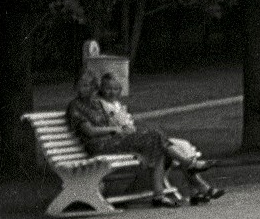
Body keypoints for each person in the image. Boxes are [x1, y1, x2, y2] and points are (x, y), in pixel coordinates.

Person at [66, 46, 224, 207]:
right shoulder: (76, 106)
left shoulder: (96, 104)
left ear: (94, 87)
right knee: (155, 135)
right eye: (82, 85)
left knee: (158, 148)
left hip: (113, 142)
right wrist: (113, 130)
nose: (86, 89)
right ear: (76, 87)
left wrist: (133, 147)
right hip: (98, 146)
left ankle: (158, 196)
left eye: (89, 86)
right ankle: (188, 164)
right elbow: (89, 132)